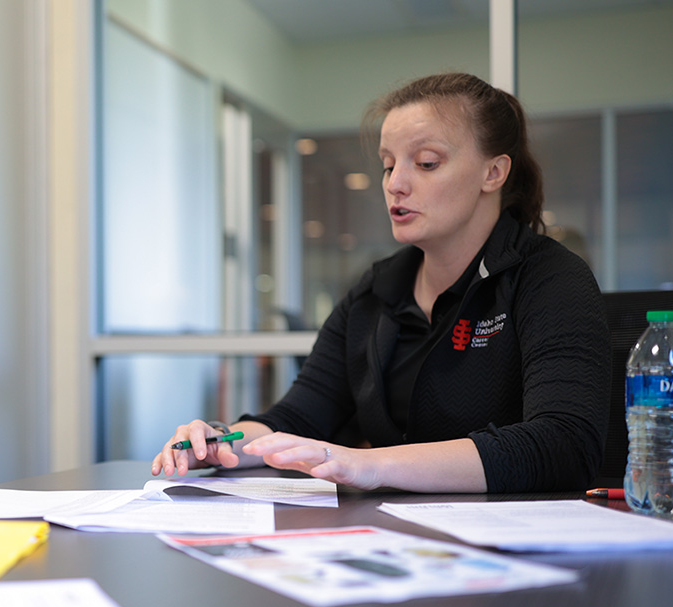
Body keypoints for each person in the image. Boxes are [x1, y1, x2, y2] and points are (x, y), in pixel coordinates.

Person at [152, 72, 609, 493]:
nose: (396, 184)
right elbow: (297, 416)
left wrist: (370, 465)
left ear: (494, 172)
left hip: (521, 550)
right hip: (402, 539)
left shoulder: (550, 278)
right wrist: (223, 442)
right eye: (389, 165)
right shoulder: (376, 291)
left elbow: (564, 444)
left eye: (426, 163)